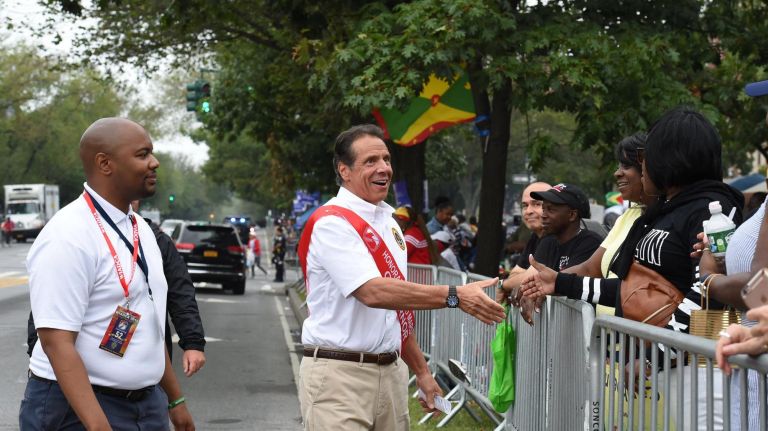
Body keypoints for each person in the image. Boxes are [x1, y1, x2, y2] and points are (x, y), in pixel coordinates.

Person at [522, 108, 744, 430]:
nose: (640, 165)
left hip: (699, 365)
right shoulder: (661, 213)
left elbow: (707, 291)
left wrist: (656, 354)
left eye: (643, 157)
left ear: (671, 156)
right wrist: (558, 283)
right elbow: (630, 289)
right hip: (663, 364)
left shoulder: (714, 210)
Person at [296, 124, 505, 430]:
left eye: (386, 159)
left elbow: (395, 310)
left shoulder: (389, 223)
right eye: (370, 162)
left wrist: (420, 371)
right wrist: (454, 295)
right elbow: (373, 292)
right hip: (339, 376)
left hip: (391, 374)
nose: (383, 168)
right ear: (344, 171)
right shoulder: (331, 223)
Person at [19, 118, 194, 430]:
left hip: (147, 405)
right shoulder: (68, 235)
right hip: (77, 411)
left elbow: (147, 325)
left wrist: (175, 400)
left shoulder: (139, 230)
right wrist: (99, 426)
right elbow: (56, 343)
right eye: (142, 155)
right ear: (105, 164)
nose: (155, 163)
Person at [25, 201, 208, 378]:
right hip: (83, 375)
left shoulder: (152, 237)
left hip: (145, 375)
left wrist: (193, 342)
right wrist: (36, 349)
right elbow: (50, 304)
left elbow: (180, 292)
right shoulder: (77, 232)